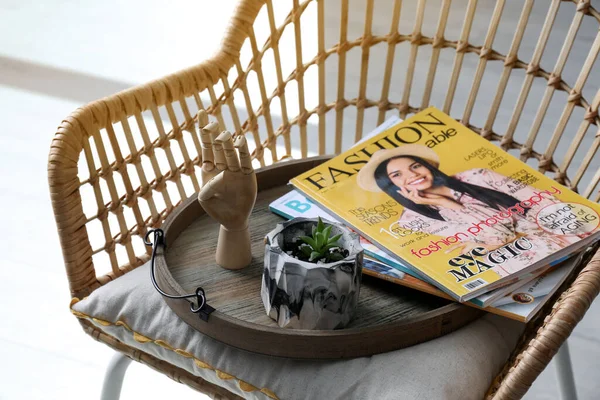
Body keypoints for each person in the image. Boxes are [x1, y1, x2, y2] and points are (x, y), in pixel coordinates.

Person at [356, 144, 581, 275]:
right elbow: (500, 234)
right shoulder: (413, 218)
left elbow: (545, 203)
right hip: (520, 266)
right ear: (391, 186)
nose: (412, 175)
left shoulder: (477, 176)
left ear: (426, 166)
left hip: (567, 240)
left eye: (415, 166)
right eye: (397, 175)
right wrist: (448, 204)